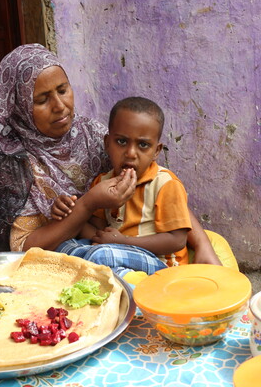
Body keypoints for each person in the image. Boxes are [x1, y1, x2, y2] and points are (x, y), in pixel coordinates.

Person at [0, 43, 222, 269]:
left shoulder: (89, 134)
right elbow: (22, 249)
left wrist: (201, 243)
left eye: (63, 90)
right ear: (19, 106)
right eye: (42, 99)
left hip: (111, 245)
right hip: (54, 259)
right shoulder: (11, 161)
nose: (59, 106)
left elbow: (155, 183)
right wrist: (86, 205)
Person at [52, 97, 192, 274]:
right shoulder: (103, 183)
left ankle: (118, 283)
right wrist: (70, 212)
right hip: (115, 253)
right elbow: (96, 232)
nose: (131, 153)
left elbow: (177, 240)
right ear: (107, 143)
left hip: (161, 264)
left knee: (101, 256)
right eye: (121, 142)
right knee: (63, 248)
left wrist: (123, 241)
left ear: (156, 151)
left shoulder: (165, 184)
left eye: (143, 145)